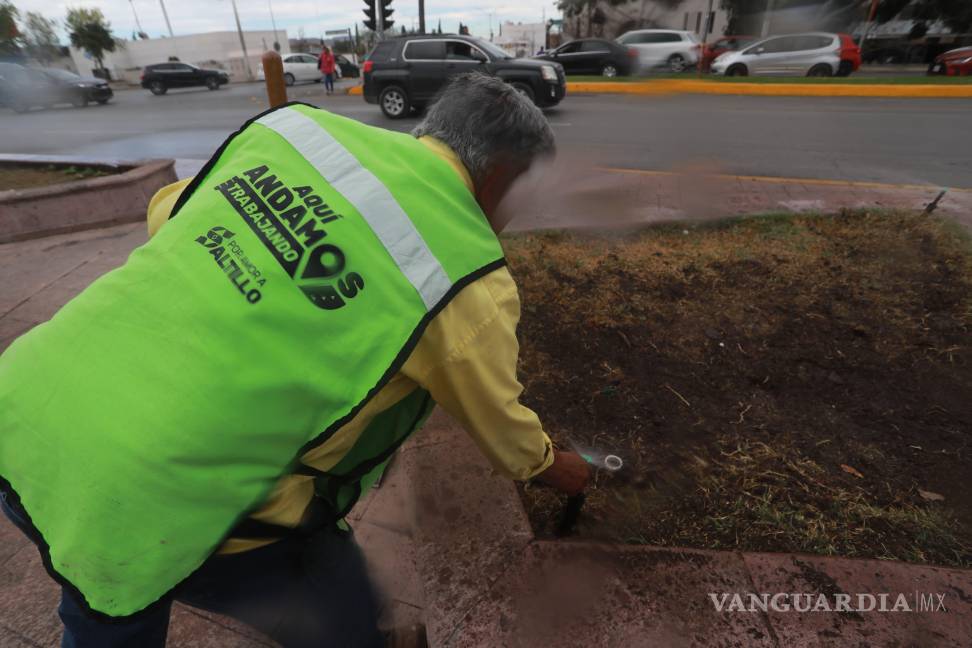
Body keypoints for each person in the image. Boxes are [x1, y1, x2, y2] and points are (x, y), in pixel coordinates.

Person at [0, 72, 590, 648]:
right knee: (336, 612)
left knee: (100, 600)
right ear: (502, 176)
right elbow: (499, 421)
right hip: (143, 489)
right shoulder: (468, 278)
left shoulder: (295, 131)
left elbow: (167, 216)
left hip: (25, 400)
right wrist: (555, 467)